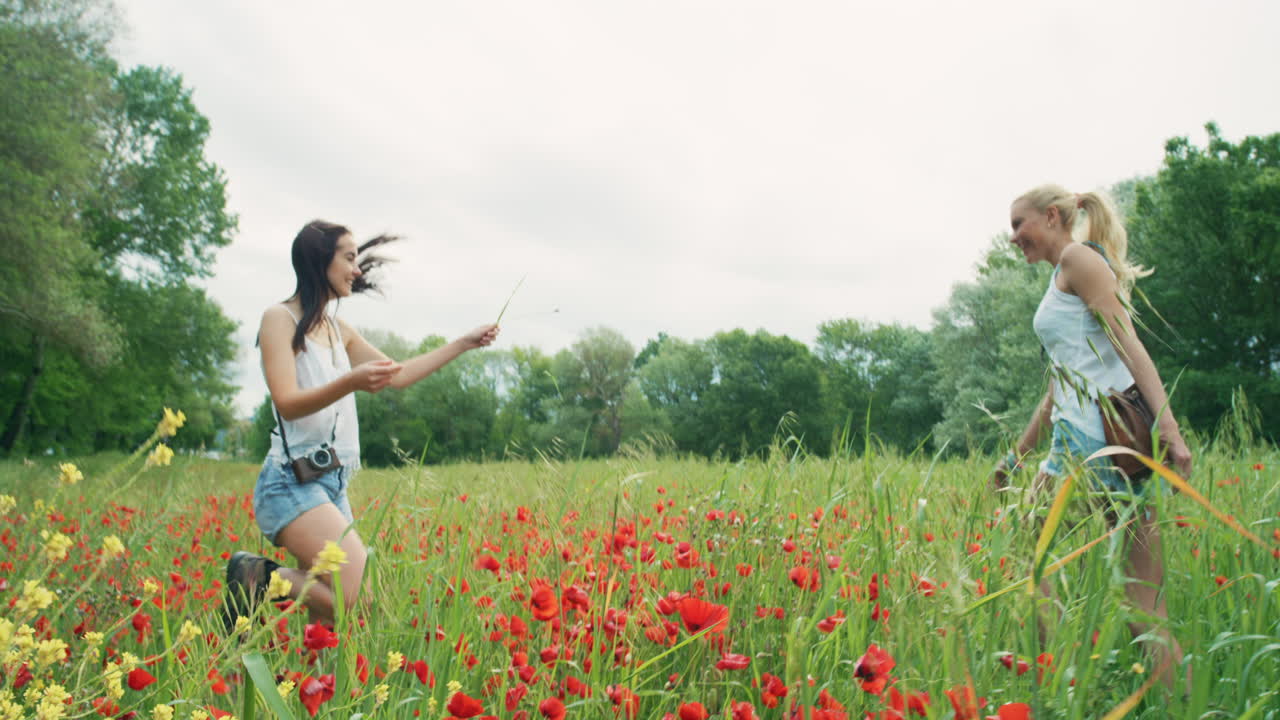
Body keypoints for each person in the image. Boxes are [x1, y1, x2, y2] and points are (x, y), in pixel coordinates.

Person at [223, 220, 499, 627]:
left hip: (330, 481)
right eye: (350, 258)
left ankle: (309, 684)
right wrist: (349, 381)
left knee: (334, 617)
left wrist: (464, 342)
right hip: (289, 482)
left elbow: (399, 374)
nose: (358, 270)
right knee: (357, 600)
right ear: (320, 261)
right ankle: (258, 578)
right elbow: (286, 401)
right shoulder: (278, 319)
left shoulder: (340, 331)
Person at [990, 185, 1192, 693]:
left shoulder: (1079, 260)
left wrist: (1169, 428)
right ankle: (1182, 702)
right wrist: (1016, 457)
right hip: (1097, 444)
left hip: (1096, 443)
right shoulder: (1063, 276)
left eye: (1020, 223)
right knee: (1141, 600)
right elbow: (1061, 384)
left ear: (1053, 216)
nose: (1012, 236)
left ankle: (1058, 682)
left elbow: (1128, 341)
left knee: (1035, 553)